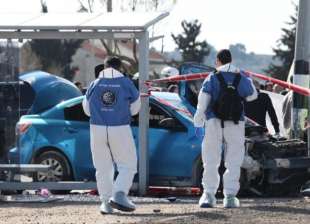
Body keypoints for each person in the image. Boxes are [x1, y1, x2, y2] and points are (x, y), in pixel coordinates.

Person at [194, 49, 257, 208]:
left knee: (210, 159)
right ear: (231, 60)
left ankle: (208, 195)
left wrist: (198, 120)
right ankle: (230, 196)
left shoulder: (212, 77)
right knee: (234, 159)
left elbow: (203, 101)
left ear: (218, 61)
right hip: (236, 122)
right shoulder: (241, 77)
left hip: (214, 120)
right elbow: (252, 96)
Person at [82, 56, 141, 214]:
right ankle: (119, 193)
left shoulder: (94, 84)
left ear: (104, 67)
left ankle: (105, 203)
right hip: (119, 127)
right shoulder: (126, 82)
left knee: (102, 167)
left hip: (97, 128)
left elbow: (86, 110)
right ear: (119, 67)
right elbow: (136, 109)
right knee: (128, 164)